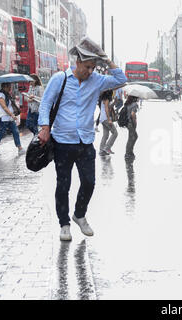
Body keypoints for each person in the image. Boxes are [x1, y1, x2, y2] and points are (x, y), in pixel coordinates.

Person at [38, 56, 127, 242]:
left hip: (85, 141)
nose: (90, 71)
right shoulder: (60, 79)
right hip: (62, 141)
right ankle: (64, 224)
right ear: (77, 62)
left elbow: (121, 80)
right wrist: (45, 127)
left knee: (89, 182)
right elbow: (46, 103)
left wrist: (107, 61)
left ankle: (79, 214)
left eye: (93, 68)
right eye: (87, 67)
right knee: (63, 184)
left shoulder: (96, 81)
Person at [99, 90, 118, 156]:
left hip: (102, 119)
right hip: (105, 119)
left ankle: (101, 150)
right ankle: (107, 148)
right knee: (115, 133)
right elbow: (106, 109)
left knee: (105, 135)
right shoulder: (106, 99)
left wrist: (114, 102)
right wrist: (109, 119)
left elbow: (109, 107)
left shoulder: (103, 99)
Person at [124, 95, 139, 161]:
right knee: (132, 138)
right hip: (130, 123)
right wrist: (134, 122)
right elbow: (132, 114)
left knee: (134, 136)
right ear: (135, 97)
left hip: (127, 122)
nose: (138, 98)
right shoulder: (135, 104)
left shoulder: (128, 103)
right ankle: (128, 153)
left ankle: (130, 151)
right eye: (138, 97)